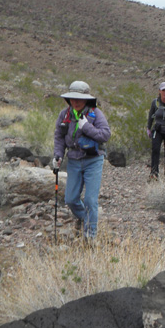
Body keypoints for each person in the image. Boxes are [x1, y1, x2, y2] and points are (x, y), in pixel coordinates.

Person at [53, 81, 111, 240]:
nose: (75, 102)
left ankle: (90, 237)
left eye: (79, 98)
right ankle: (85, 218)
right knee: (70, 199)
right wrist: (58, 155)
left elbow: (105, 135)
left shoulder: (96, 114)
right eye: (72, 98)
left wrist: (86, 127)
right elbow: (59, 137)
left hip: (93, 160)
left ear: (86, 99)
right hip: (73, 160)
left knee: (91, 200)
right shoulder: (64, 115)